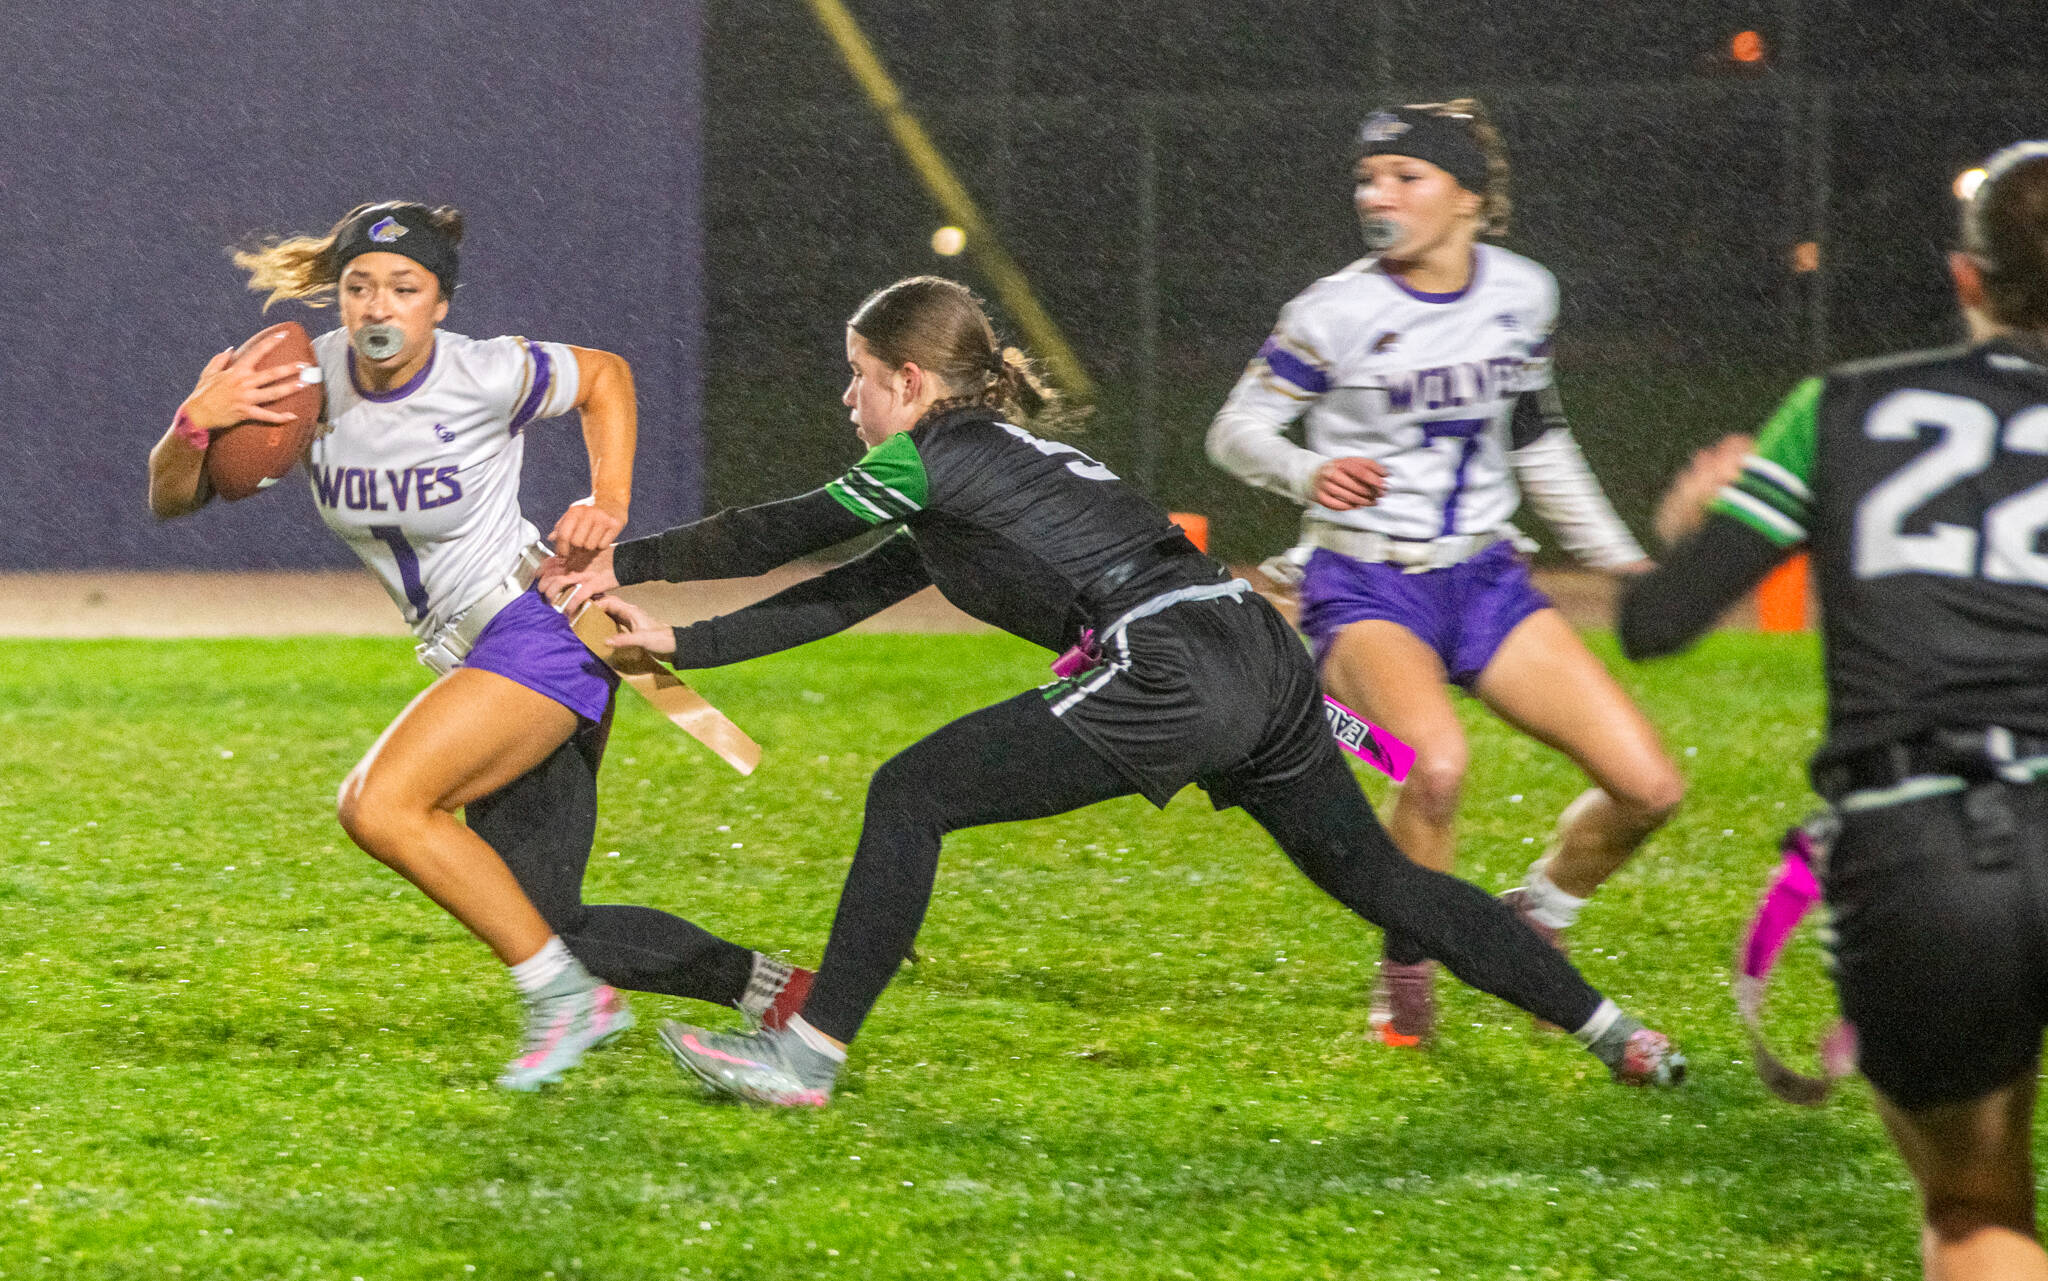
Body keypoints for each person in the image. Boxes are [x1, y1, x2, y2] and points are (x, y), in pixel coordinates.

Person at [539, 274, 1684, 1108]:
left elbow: (782, 532)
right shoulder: (983, 468)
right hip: (1250, 650)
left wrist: (621, 558)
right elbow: (841, 592)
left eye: (854, 379)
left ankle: (810, 1054)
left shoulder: (923, 452)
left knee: (909, 793)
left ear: (905, 378)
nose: (847, 402)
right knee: (1375, 877)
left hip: (1171, 662)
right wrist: (681, 642)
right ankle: (1615, 1034)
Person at [146, 201, 808, 1090]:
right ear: (339, 298)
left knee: (378, 804)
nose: (380, 307)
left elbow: (607, 375)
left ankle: (566, 1004)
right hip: (481, 658)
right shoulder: (305, 379)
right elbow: (175, 500)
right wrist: (195, 423)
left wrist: (608, 501)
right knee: (535, 915)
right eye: (360, 287)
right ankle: (786, 992)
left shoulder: (484, 371)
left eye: (405, 288)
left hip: (539, 629)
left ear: (440, 304)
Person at [1620, 141, 2048, 1280]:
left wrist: (1697, 514)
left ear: (1966, 279)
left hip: (1924, 841)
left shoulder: (1845, 405)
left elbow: (1657, 621)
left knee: (1974, 1208)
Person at [1205, 100, 1685, 1045]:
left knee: (1651, 788)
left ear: (1469, 197)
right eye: (1366, 178)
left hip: (1488, 583)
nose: (1376, 194)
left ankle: (1535, 917)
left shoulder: (1523, 293)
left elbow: (1537, 436)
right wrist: (1308, 470)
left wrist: (1618, 555)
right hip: (1367, 585)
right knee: (1432, 768)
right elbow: (1234, 431)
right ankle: (1410, 966)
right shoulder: (1335, 308)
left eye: (1405, 176)